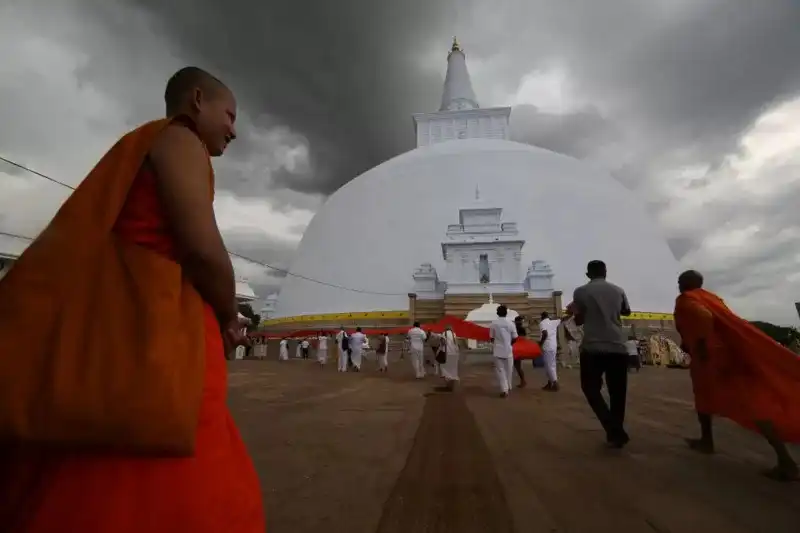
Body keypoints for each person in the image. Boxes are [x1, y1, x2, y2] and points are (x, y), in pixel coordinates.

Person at [0, 67, 264, 532]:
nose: (234, 131)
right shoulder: (180, 140)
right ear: (197, 100)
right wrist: (229, 313)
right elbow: (202, 248)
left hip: (146, 330)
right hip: (155, 339)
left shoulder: (154, 146)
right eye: (229, 115)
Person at [674, 270, 800, 481]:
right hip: (727, 354)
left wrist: (702, 346)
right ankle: (706, 440)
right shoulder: (712, 298)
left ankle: (786, 462)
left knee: (751, 405)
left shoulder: (687, 299)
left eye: (680, 281)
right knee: (704, 398)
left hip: (713, 359)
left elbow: (704, 317)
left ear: (687, 283)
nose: (678, 284)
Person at [572, 260, 632, 448]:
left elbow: (579, 320)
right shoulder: (618, 290)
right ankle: (616, 430)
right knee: (618, 392)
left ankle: (612, 428)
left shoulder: (580, 292)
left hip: (593, 347)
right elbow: (626, 311)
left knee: (590, 388)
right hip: (617, 345)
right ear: (605, 272)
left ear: (588, 274)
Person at [489, 305, 519, 398]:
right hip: (508, 350)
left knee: (500, 371)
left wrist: (496, 343)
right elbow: (515, 337)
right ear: (506, 313)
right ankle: (508, 387)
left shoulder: (494, 323)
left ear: (497, 313)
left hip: (498, 350)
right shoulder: (511, 323)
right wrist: (509, 343)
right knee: (509, 370)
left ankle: (504, 390)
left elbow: (491, 338)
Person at [538, 311, 562, 391]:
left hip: (547, 346)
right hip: (553, 346)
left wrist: (540, 344)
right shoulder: (553, 322)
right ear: (548, 316)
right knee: (551, 365)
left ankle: (555, 384)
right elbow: (562, 319)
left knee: (549, 366)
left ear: (542, 317)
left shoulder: (542, 323)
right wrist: (571, 314)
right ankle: (550, 383)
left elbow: (545, 334)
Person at [438, 325, 460, 391]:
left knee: (445, 368)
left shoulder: (444, 333)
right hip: (454, 353)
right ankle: (452, 383)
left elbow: (442, 343)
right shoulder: (454, 334)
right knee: (453, 369)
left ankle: (448, 384)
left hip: (446, 353)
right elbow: (456, 343)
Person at [512, 316, 528, 388]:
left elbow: (521, 339)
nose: (521, 322)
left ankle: (523, 381)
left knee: (517, 366)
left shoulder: (520, 329)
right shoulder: (517, 328)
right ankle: (523, 381)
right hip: (515, 348)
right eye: (520, 321)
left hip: (517, 349)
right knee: (517, 366)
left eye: (521, 321)